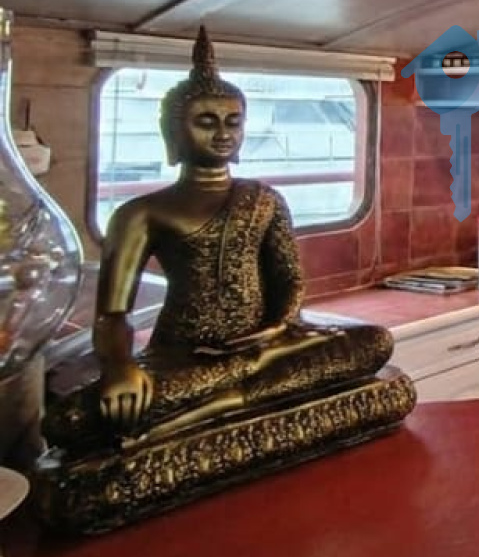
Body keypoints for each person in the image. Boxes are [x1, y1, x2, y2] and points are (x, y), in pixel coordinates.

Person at [44, 30, 395, 454]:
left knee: (374, 342)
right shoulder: (142, 213)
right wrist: (119, 366)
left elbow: (290, 281)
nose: (223, 133)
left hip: (266, 346)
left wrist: (275, 330)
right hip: (184, 357)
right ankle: (225, 402)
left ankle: (202, 414)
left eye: (233, 121)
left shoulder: (264, 199)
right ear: (173, 131)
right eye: (206, 122)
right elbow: (112, 315)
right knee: (71, 421)